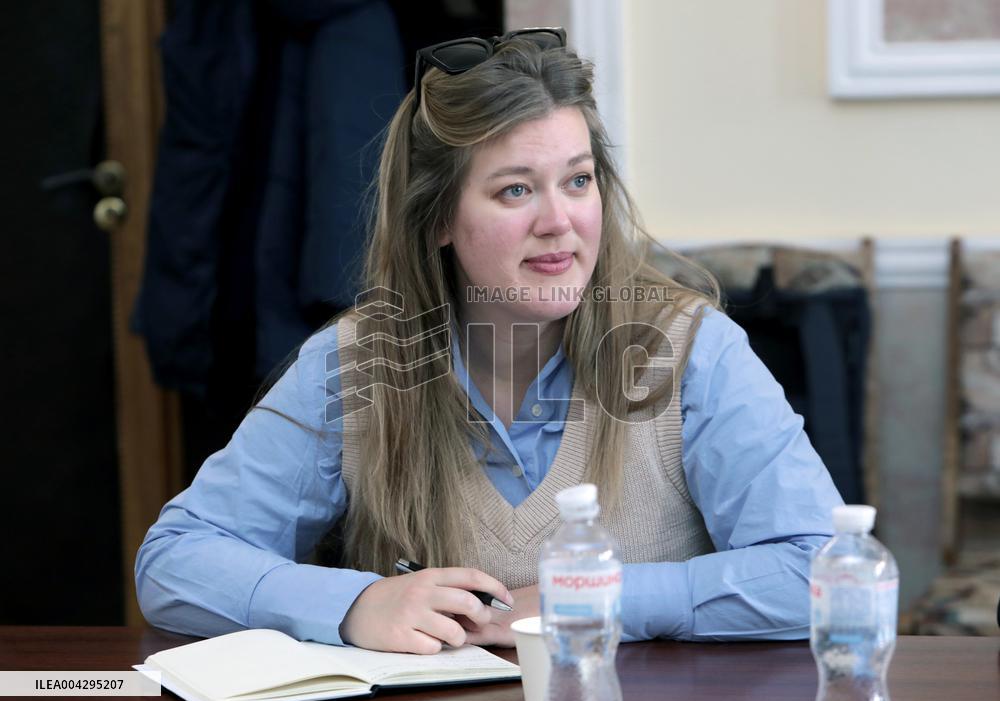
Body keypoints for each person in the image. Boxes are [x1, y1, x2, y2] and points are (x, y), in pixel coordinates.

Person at [135, 28, 844, 655]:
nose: (559, 221)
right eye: (514, 190)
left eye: (578, 180)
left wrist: (596, 597)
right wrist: (353, 604)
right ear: (438, 217)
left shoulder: (693, 351)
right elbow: (175, 558)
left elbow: (822, 569)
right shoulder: (356, 363)